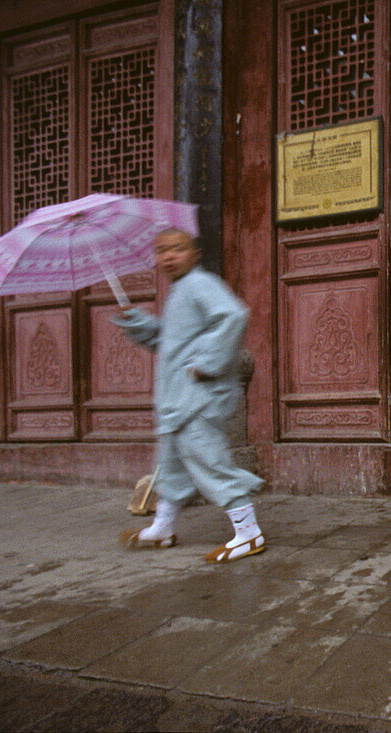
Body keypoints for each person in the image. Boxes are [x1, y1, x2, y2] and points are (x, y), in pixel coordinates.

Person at [115, 228, 265, 563]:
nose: (168, 256)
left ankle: (248, 532)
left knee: (208, 462)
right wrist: (136, 322)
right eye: (161, 251)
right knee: (171, 466)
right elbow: (168, 341)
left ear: (194, 253)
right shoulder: (180, 291)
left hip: (198, 398)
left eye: (177, 249)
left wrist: (208, 362)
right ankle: (162, 527)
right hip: (178, 400)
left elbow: (234, 315)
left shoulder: (199, 283)